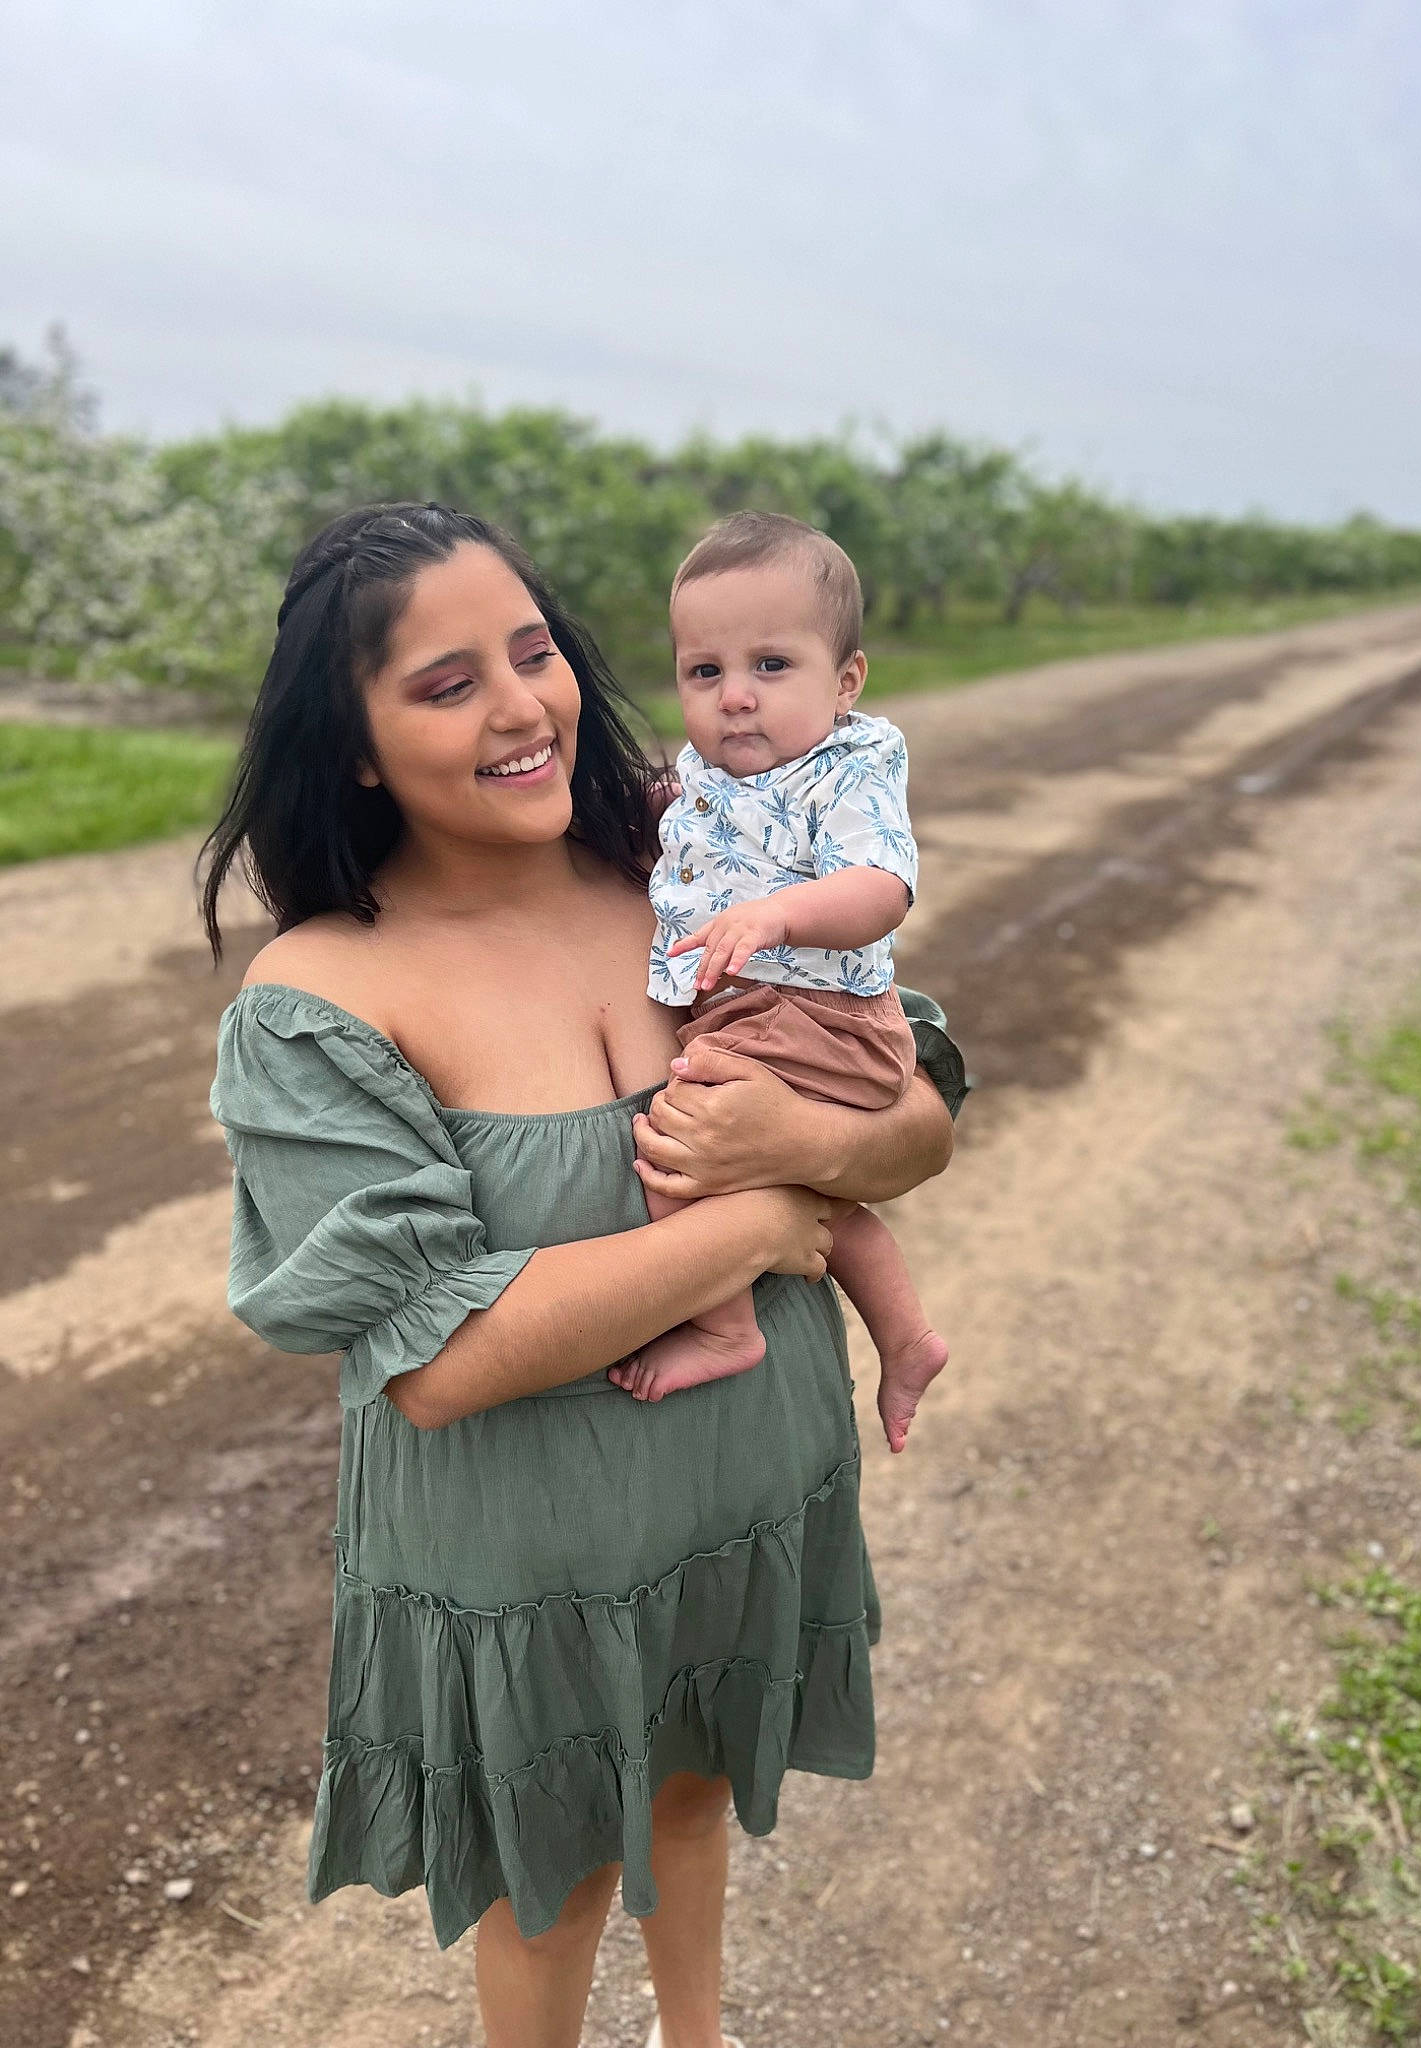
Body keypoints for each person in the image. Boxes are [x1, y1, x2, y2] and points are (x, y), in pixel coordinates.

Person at [200, 502, 966, 2048]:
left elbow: (920, 1122)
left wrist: (800, 1136)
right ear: (349, 746)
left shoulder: (674, 856)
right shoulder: (317, 999)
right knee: (551, 1887)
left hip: (743, 1487)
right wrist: (757, 1222)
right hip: (530, 1563)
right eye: (444, 683)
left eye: (535, 651)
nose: (522, 706)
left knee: (689, 1805)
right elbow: (439, 1362)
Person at [613, 512, 947, 1455]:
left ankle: (724, 1326)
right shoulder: (710, 776)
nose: (735, 699)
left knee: (691, 1129)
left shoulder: (845, 772)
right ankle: (908, 1334)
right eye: (704, 672)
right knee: (818, 1191)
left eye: (771, 666)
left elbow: (882, 887)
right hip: (769, 1007)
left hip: (822, 1013)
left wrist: (778, 915)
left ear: (846, 683)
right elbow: (688, 832)